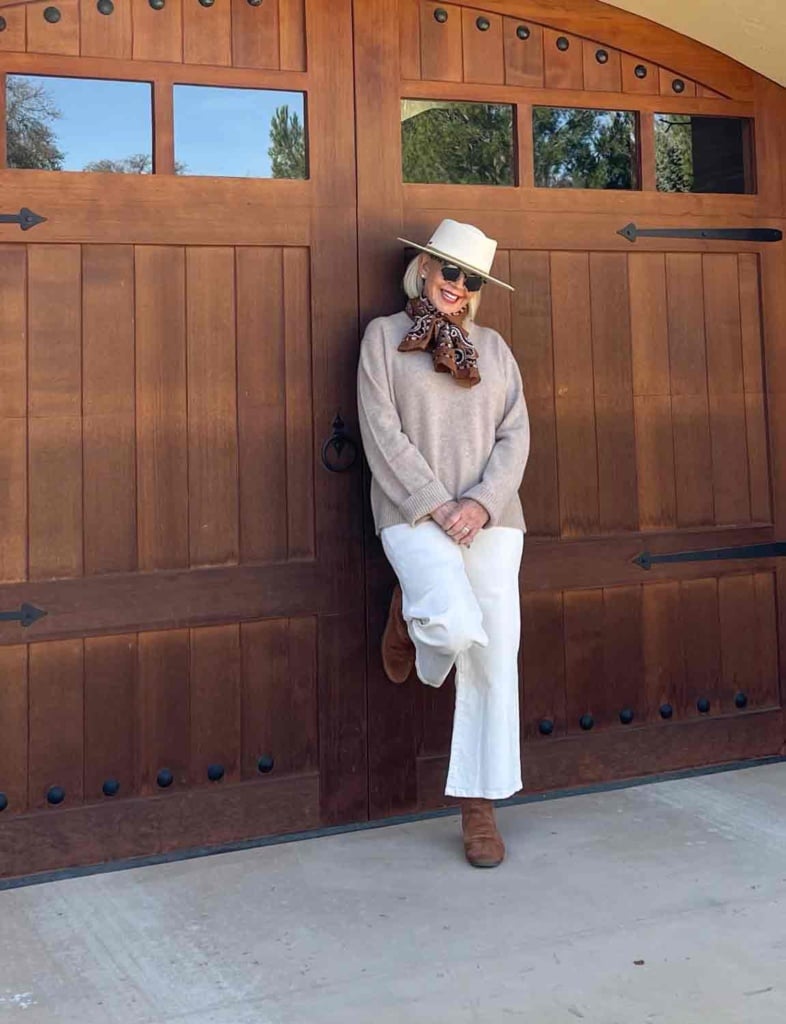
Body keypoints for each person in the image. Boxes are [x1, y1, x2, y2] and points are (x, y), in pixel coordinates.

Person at [357, 219, 530, 868]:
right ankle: (411, 615)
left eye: (472, 278)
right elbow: (380, 431)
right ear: (425, 269)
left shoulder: (495, 348)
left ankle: (478, 808)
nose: (459, 285)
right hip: (413, 515)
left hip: (492, 520)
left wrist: (481, 504)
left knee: (495, 656)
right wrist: (439, 505)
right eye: (449, 270)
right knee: (455, 629)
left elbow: (517, 436)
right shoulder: (382, 339)